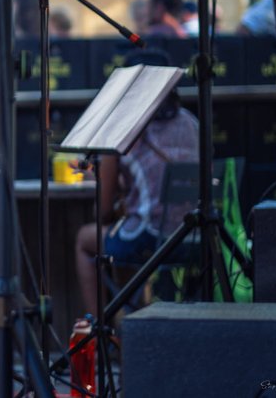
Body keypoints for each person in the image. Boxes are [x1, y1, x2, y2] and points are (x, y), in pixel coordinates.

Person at [73, 49, 200, 317]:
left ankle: (99, 330)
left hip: (149, 237)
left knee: (86, 240)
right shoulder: (190, 123)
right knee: (121, 234)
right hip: (190, 238)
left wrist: (112, 181)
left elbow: (103, 212)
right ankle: (132, 320)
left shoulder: (122, 130)